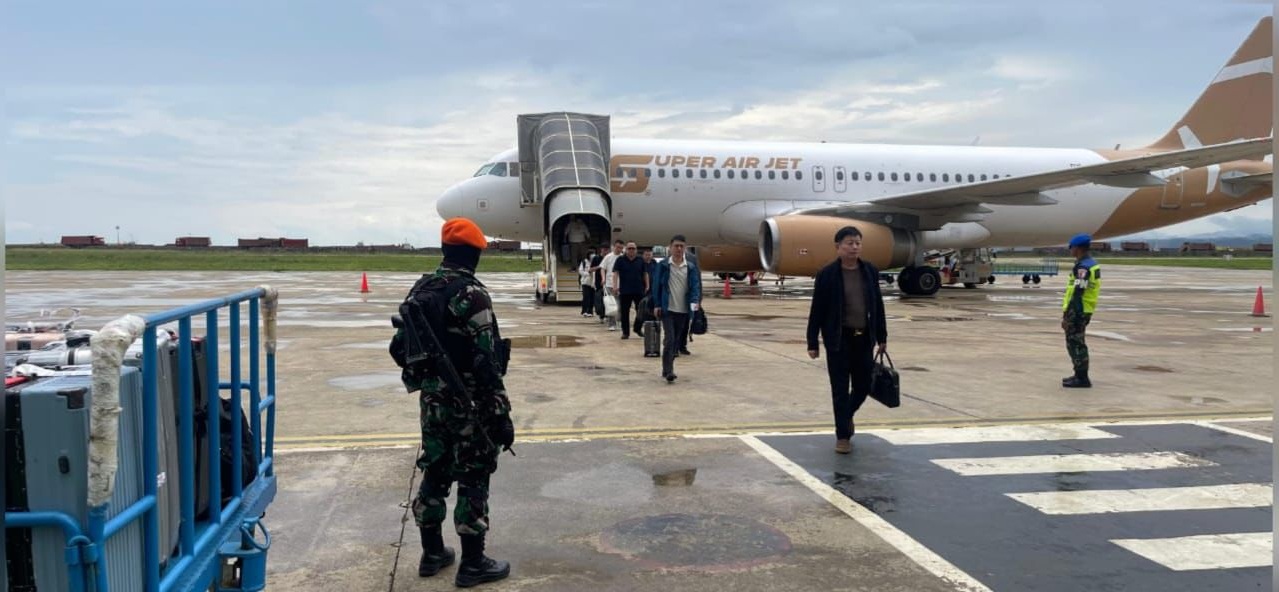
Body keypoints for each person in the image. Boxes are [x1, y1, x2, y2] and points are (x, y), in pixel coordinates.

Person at [389, 217, 514, 587]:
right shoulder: (471, 294)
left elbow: (400, 349)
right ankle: (473, 563)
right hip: (469, 403)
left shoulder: (422, 288)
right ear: (474, 254)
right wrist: (501, 414)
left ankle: (432, 553)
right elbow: (487, 361)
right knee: (473, 476)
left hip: (433, 401)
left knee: (436, 469)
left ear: (445, 251)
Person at [806, 226, 887, 455]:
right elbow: (817, 309)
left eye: (858, 243)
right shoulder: (827, 274)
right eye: (850, 243)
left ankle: (846, 415)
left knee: (863, 386)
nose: (854, 247)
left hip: (864, 339)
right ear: (838, 246)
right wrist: (812, 341)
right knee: (840, 389)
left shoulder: (869, 271)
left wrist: (882, 336)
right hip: (839, 340)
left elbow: (878, 305)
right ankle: (842, 436)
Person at [651, 235, 702, 383]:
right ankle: (669, 371)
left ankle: (666, 367)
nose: (679, 249)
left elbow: (695, 287)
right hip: (667, 309)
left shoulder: (690, 267)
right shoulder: (664, 265)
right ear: (670, 247)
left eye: (681, 246)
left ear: (685, 248)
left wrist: (695, 302)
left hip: (683, 310)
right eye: (676, 246)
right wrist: (657, 304)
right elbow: (656, 286)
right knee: (670, 339)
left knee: (676, 341)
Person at [1062, 233, 1101, 388]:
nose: (1070, 250)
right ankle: (1079, 374)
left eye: (1071, 247)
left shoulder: (1083, 267)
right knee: (1076, 342)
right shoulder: (1090, 264)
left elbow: (1079, 291)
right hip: (1085, 308)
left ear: (1078, 248)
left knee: (1075, 343)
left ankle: (1082, 378)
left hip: (1078, 309)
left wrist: (1069, 315)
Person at [612, 242, 648, 340]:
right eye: (629, 248)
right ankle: (625, 332)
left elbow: (645, 273)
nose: (631, 250)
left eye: (633, 248)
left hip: (639, 289)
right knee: (624, 312)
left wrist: (647, 285)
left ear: (636, 250)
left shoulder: (640, 260)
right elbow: (615, 273)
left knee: (641, 311)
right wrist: (615, 286)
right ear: (626, 249)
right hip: (625, 290)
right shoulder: (620, 259)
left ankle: (637, 328)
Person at [599, 240, 624, 330]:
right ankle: (612, 324)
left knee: (620, 304)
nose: (619, 249)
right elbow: (602, 268)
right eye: (617, 247)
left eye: (621, 248)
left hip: (622, 284)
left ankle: (620, 321)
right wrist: (603, 278)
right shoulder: (608, 257)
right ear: (613, 247)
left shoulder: (623, 257)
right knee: (611, 304)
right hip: (610, 283)